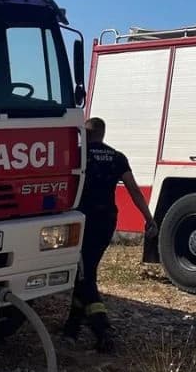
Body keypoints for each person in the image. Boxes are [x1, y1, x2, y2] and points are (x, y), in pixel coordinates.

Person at [64, 117, 158, 351]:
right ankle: (72, 327)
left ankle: (103, 329)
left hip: (83, 221)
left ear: (86, 134)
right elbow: (134, 189)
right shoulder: (117, 157)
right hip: (106, 221)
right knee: (86, 271)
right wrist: (149, 218)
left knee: (85, 276)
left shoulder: (78, 154)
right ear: (103, 134)